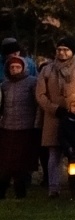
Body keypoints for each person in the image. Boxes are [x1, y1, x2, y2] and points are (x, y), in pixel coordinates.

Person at [34, 38, 75, 198]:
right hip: (53, 118)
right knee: (54, 155)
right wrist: (54, 109)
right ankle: (53, 188)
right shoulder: (47, 70)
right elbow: (40, 94)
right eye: (59, 49)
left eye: (65, 49)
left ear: (72, 52)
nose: (62, 52)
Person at [0, 53, 40, 197]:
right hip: (7, 127)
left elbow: (37, 106)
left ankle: (20, 191)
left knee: (21, 162)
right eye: (12, 67)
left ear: (23, 68)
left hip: (26, 128)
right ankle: (2, 190)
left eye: (18, 67)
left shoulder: (32, 82)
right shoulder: (4, 85)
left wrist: (36, 124)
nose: (15, 69)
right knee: (6, 161)